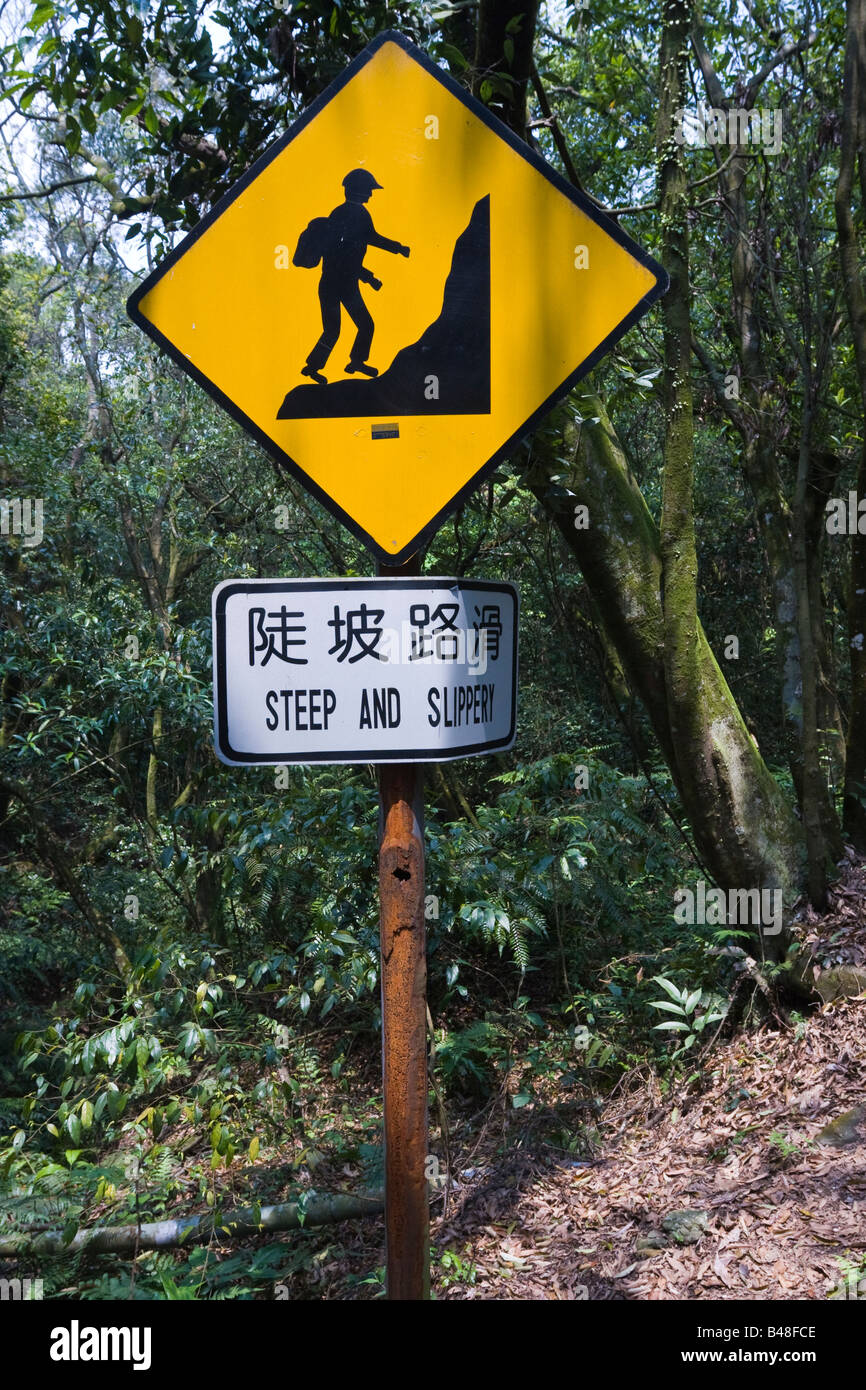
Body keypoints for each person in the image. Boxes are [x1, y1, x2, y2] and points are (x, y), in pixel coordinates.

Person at [301, 169, 410, 384]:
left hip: (336, 282)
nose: (371, 194)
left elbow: (348, 255)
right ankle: (325, 365)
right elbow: (369, 240)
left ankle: (339, 364)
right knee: (354, 326)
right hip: (341, 284)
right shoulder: (356, 214)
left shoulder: (339, 213)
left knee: (337, 329)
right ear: (358, 190)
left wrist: (368, 277)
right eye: (369, 190)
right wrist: (398, 248)